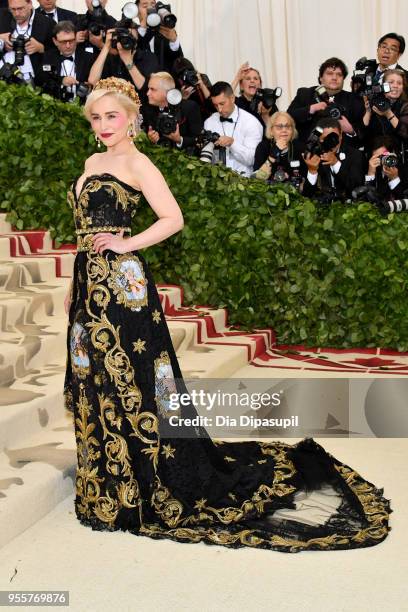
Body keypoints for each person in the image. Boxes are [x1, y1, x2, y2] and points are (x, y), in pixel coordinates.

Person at [63, 76, 391, 552]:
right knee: (94, 378)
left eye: (112, 115)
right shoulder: (93, 161)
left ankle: (143, 482)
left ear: (132, 118)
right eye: (96, 117)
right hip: (87, 284)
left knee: (135, 379)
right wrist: (82, 278)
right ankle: (108, 484)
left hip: (123, 287)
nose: (103, 124)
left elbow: (172, 218)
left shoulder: (139, 163)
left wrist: (125, 244)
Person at [287, 57, 364, 146]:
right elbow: (288, 118)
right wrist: (311, 109)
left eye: (339, 74)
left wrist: (351, 131)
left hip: (339, 156)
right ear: (321, 78)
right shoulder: (305, 94)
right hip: (306, 152)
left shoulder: (354, 100)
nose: (334, 78)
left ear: (343, 79)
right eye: (330, 73)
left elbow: (364, 133)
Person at [204, 81, 263, 177]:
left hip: (243, 182)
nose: (219, 109)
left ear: (232, 98)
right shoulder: (209, 122)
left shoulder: (251, 123)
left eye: (222, 104)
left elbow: (252, 160)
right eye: (215, 105)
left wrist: (232, 144)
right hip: (215, 181)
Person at [302, 117, 365, 201]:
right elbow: (307, 196)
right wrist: (312, 171)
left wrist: (336, 163)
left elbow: (357, 188)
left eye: (334, 137)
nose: (332, 141)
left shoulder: (354, 154)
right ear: (319, 139)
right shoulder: (314, 156)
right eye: (326, 138)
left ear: (341, 135)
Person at [35, 21, 94, 101]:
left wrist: (90, 86)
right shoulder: (48, 57)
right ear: (55, 41)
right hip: (55, 105)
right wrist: (61, 80)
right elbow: (40, 79)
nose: (68, 45)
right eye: (63, 42)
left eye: (71, 41)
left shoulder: (88, 57)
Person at [0, 0, 54, 80]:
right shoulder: (2, 16)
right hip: (3, 75)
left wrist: (40, 48)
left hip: (34, 79)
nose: (17, 13)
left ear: (30, 4)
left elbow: (57, 52)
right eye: (13, 9)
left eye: (20, 8)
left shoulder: (48, 23)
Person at [362, 69, 408, 151]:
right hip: (373, 153)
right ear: (383, 85)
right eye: (391, 82)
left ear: (403, 87)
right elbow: (362, 134)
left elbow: (405, 133)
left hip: (397, 153)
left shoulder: (405, 106)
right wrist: (368, 111)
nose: (395, 86)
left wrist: (388, 114)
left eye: (399, 83)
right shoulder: (374, 101)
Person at [253, 111, 303, 185]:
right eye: (279, 127)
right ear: (271, 130)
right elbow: (257, 180)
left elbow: (304, 181)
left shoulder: (299, 147)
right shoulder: (263, 147)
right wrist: (274, 153)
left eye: (288, 126)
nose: (284, 130)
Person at [135, 0, 182, 73]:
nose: (150, 8)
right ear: (137, 12)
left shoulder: (165, 30)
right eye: (145, 6)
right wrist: (143, 26)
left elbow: (178, 61)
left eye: (153, 5)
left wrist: (174, 41)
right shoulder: (132, 32)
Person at [232, 61, 278, 127]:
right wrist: (237, 78)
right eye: (248, 78)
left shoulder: (268, 102)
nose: (252, 81)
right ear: (241, 86)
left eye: (255, 79)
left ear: (260, 85)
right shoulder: (236, 103)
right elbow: (225, 97)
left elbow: (275, 132)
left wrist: (265, 114)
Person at [365, 135, 408, 199]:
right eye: (377, 157)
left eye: (383, 156)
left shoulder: (405, 169)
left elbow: (404, 199)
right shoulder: (373, 169)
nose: (382, 160)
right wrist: (370, 174)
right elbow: (367, 201)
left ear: (393, 153)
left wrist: (394, 179)